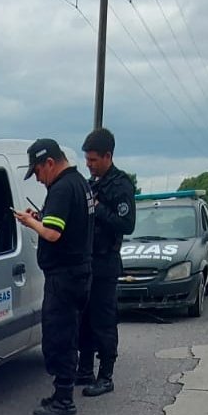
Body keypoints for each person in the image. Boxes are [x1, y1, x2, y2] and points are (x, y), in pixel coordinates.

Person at [13, 138, 94, 415]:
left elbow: (53, 234)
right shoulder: (80, 183)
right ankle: (62, 392)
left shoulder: (61, 188)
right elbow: (64, 223)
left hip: (64, 277)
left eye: (37, 172)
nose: (37, 178)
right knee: (68, 332)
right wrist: (43, 216)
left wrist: (30, 222)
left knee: (60, 336)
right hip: (79, 272)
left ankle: (64, 400)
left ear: (49, 163)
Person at [76, 128, 136, 396]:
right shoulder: (92, 184)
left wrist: (99, 209)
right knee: (84, 319)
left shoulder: (120, 185)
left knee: (103, 319)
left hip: (106, 262)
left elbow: (127, 223)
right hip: (88, 262)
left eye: (93, 160)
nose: (89, 165)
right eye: (87, 160)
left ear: (108, 156)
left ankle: (106, 375)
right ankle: (85, 369)